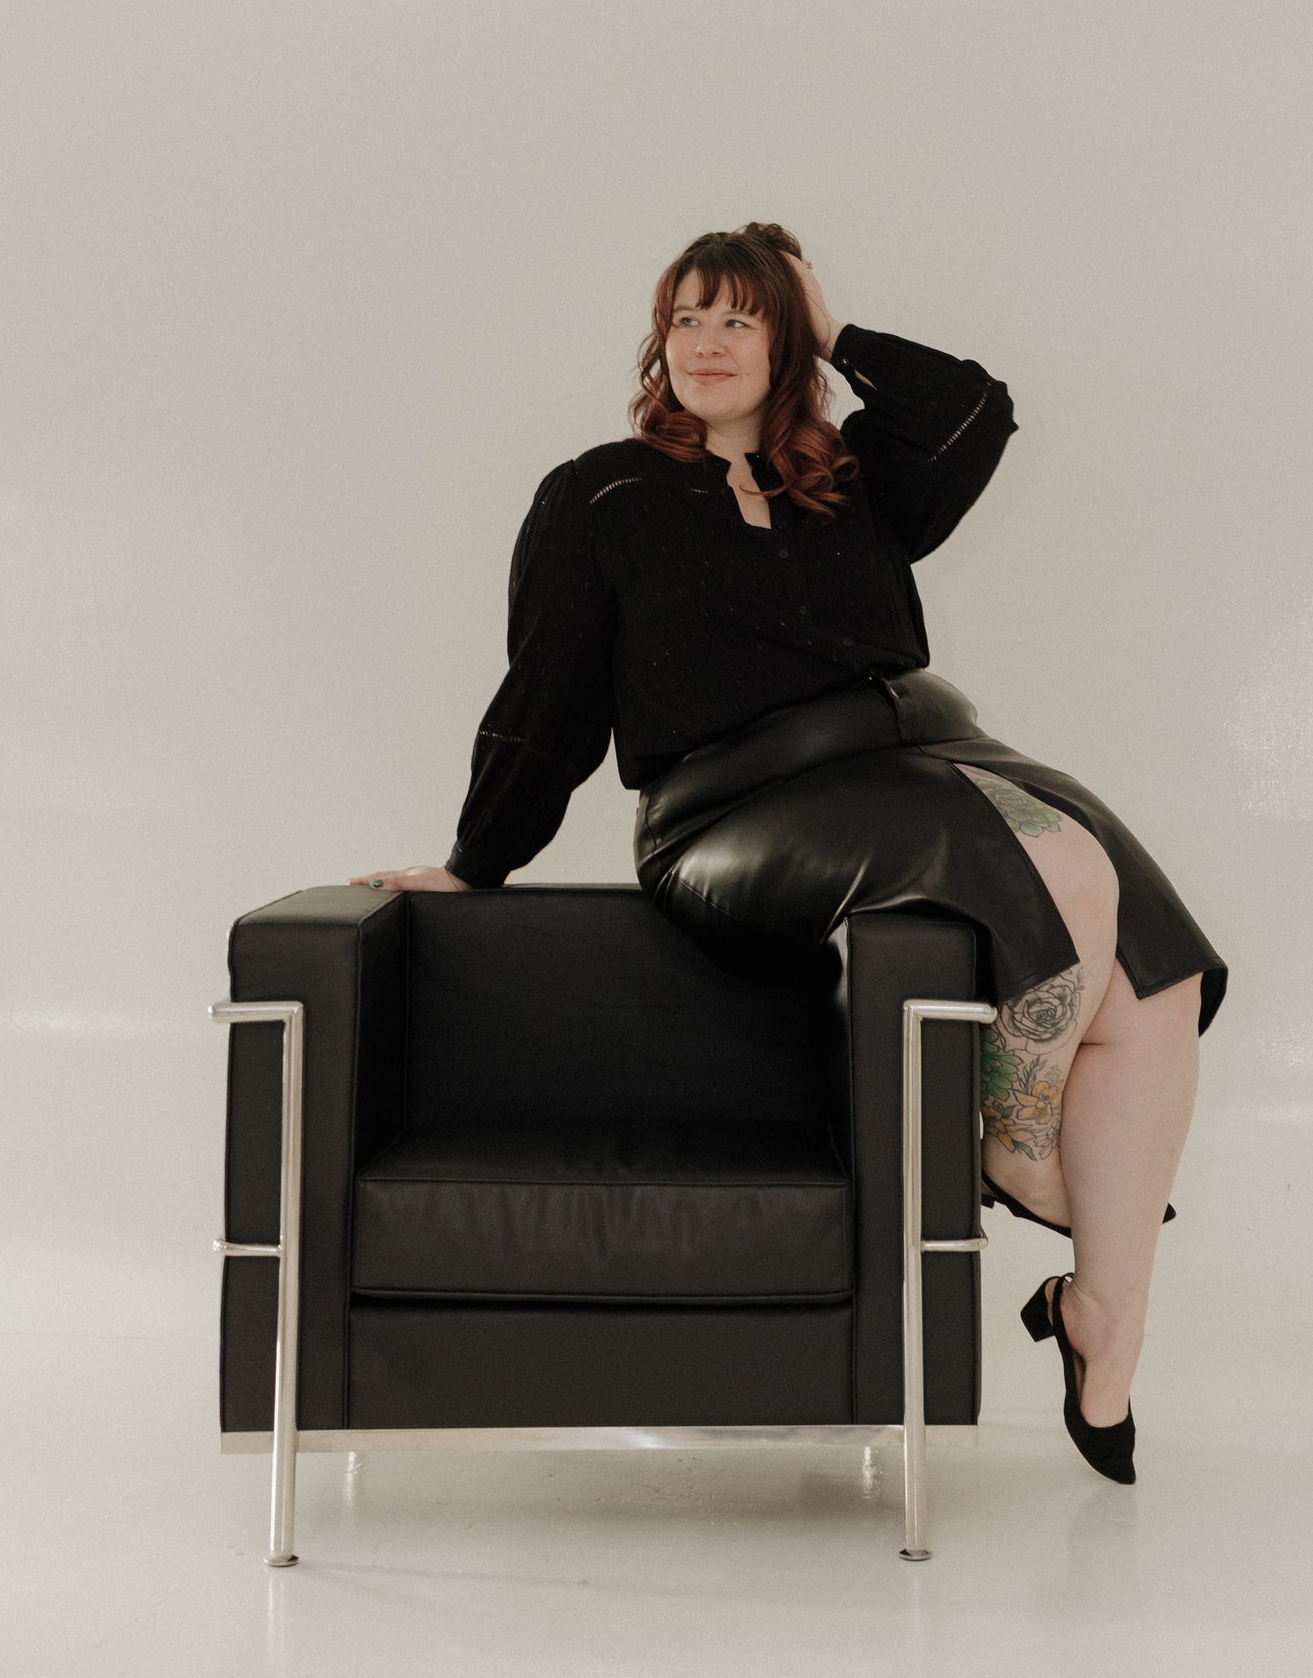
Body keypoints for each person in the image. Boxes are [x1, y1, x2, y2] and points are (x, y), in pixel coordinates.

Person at [348, 220, 1228, 1485]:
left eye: (738, 319)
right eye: (684, 317)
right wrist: (475, 858)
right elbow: (544, 697)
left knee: (1154, 981)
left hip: (924, 762)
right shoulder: (598, 492)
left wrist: (834, 320)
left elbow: (974, 409)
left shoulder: (852, 481)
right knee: (1068, 881)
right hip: (728, 813)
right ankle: (1011, 1134)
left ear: (787, 339)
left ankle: (1102, 1321)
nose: (703, 343)